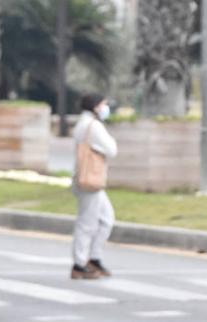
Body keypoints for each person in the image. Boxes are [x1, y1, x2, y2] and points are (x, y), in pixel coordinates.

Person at [71, 93, 117, 279]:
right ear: (96, 106)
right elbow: (112, 149)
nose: (105, 108)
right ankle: (79, 264)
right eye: (103, 104)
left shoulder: (83, 123)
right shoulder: (93, 126)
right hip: (90, 180)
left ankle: (94, 258)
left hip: (87, 180)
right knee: (87, 223)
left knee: (106, 219)